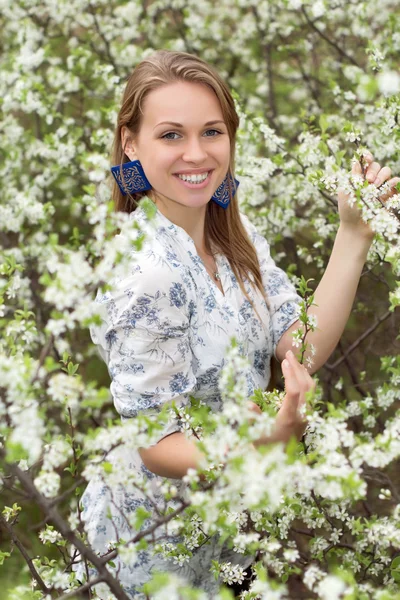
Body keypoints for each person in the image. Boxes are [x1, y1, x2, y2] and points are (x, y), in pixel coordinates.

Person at [77, 50, 399, 598]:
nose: (197, 154)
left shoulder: (232, 233)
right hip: (152, 550)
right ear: (130, 143)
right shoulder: (143, 272)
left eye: (212, 131)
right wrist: (254, 444)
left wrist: (353, 233)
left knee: (242, 588)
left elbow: (298, 343)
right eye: (171, 135)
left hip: (230, 535)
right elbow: (155, 441)